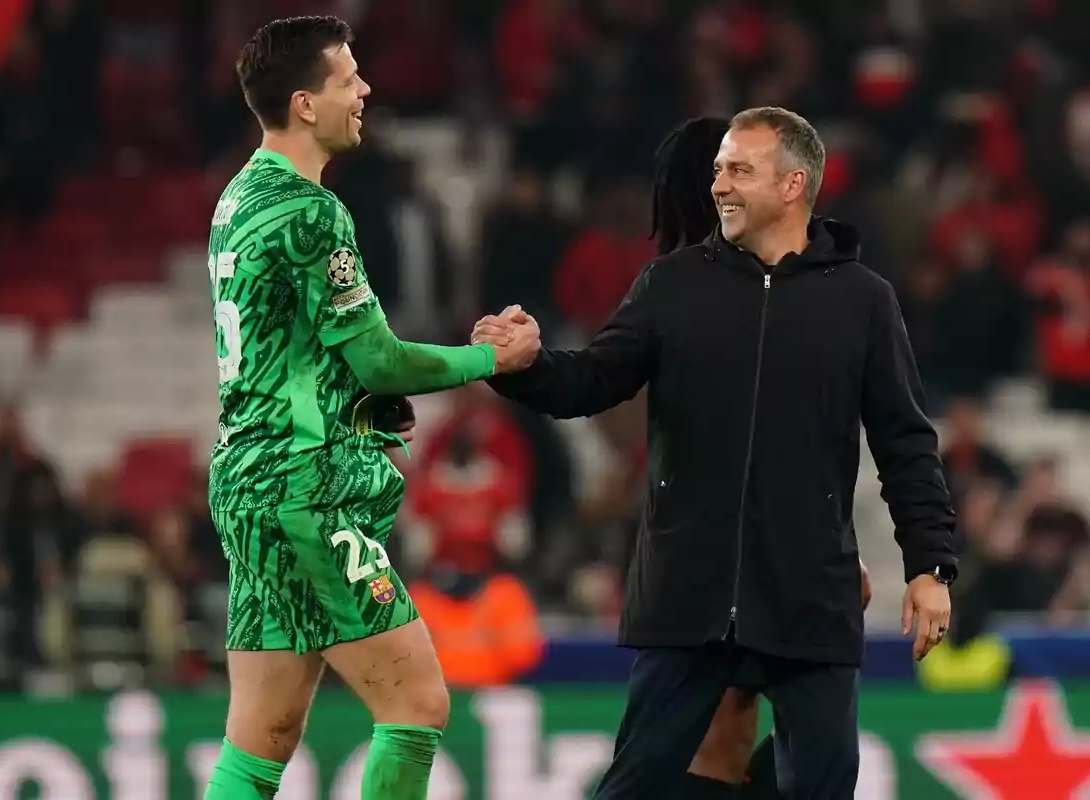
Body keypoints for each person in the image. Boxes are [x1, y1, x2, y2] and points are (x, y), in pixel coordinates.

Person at [474, 107, 958, 799]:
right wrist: (518, 364)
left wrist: (930, 564)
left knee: (821, 788)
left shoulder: (862, 301)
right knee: (636, 786)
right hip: (690, 592)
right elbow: (592, 381)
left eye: (738, 171)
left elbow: (905, 440)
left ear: (794, 185)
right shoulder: (671, 283)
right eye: (716, 170)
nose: (719, 187)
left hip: (806, 592)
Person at [202, 17, 539, 800]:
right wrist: (494, 358)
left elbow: (286, 354)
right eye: (348, 79)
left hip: (252, 487)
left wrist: (360, 406)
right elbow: (381, 357)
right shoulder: (313, 214)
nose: (365, 91)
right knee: (416, 703)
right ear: (305, 103)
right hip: (308, 492)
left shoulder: (237, 199)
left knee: (262, 736)